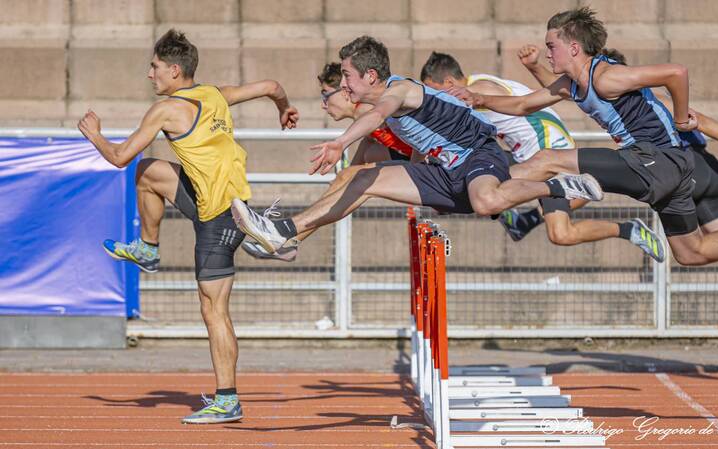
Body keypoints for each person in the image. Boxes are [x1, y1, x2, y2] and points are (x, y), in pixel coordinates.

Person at [448, 7, 718, 271]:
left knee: (547, 160)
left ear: (574, 47)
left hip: (654, 159)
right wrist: (479, 99)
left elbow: (676, 72)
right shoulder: (571, 84)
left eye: (551, 46)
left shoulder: (606, 77)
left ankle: (475, 191)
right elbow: (523, 105)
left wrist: (681, 117)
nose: (547, 52)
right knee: (691, 252)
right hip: (669, 169)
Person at [77, 29, 299, 423]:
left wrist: (95, 135)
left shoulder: (165, 110)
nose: (150, 74)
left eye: (155, 67)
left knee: (214, 311)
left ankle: (227, 400)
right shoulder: (214, 94)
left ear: (174, 70)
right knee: (148, 172)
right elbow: (272, 85)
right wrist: (284, 108)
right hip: (209, 199)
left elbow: (119, 156)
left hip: (223, 217)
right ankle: (148, 248)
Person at [230, 35, 603, 255]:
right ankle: (284, 233)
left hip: (478, 155)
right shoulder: (387, 104)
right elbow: (415, 143)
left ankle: (558, 186)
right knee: (362, 178)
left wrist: (340, 142)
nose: (342, 85)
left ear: (370, 75)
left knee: (486, 202)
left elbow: (379, 114)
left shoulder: (400, 91)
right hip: (447, 173)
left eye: (346, 76)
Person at [515, 44, 718, 313]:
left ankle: (542, 210)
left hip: (684, 169)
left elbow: (698, 119)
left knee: (611, 181)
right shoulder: (623, 99)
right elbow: (567, 90)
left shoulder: (640, 100)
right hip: (708, 171)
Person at [419, 51, 665, 261]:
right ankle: (522, 219)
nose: (433, 98)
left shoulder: (477, 90)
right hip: (527, 153)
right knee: (481, 178)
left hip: (546, 152)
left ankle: (628, 229)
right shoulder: (478, 82)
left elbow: (446, 125)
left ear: (449, 82)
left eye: (434, 91)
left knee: (560, 233)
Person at [241, 62, 414, 260]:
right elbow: (368, 143)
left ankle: (288, 240)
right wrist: (344, 177)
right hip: (410, 159)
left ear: (344, 92)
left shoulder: (369, 110)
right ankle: (290, 242)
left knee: (350, 175)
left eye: (326, 95)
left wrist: (345, 176)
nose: (323, 105)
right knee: (360, 163)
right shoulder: (365, 118)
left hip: (429, 164)